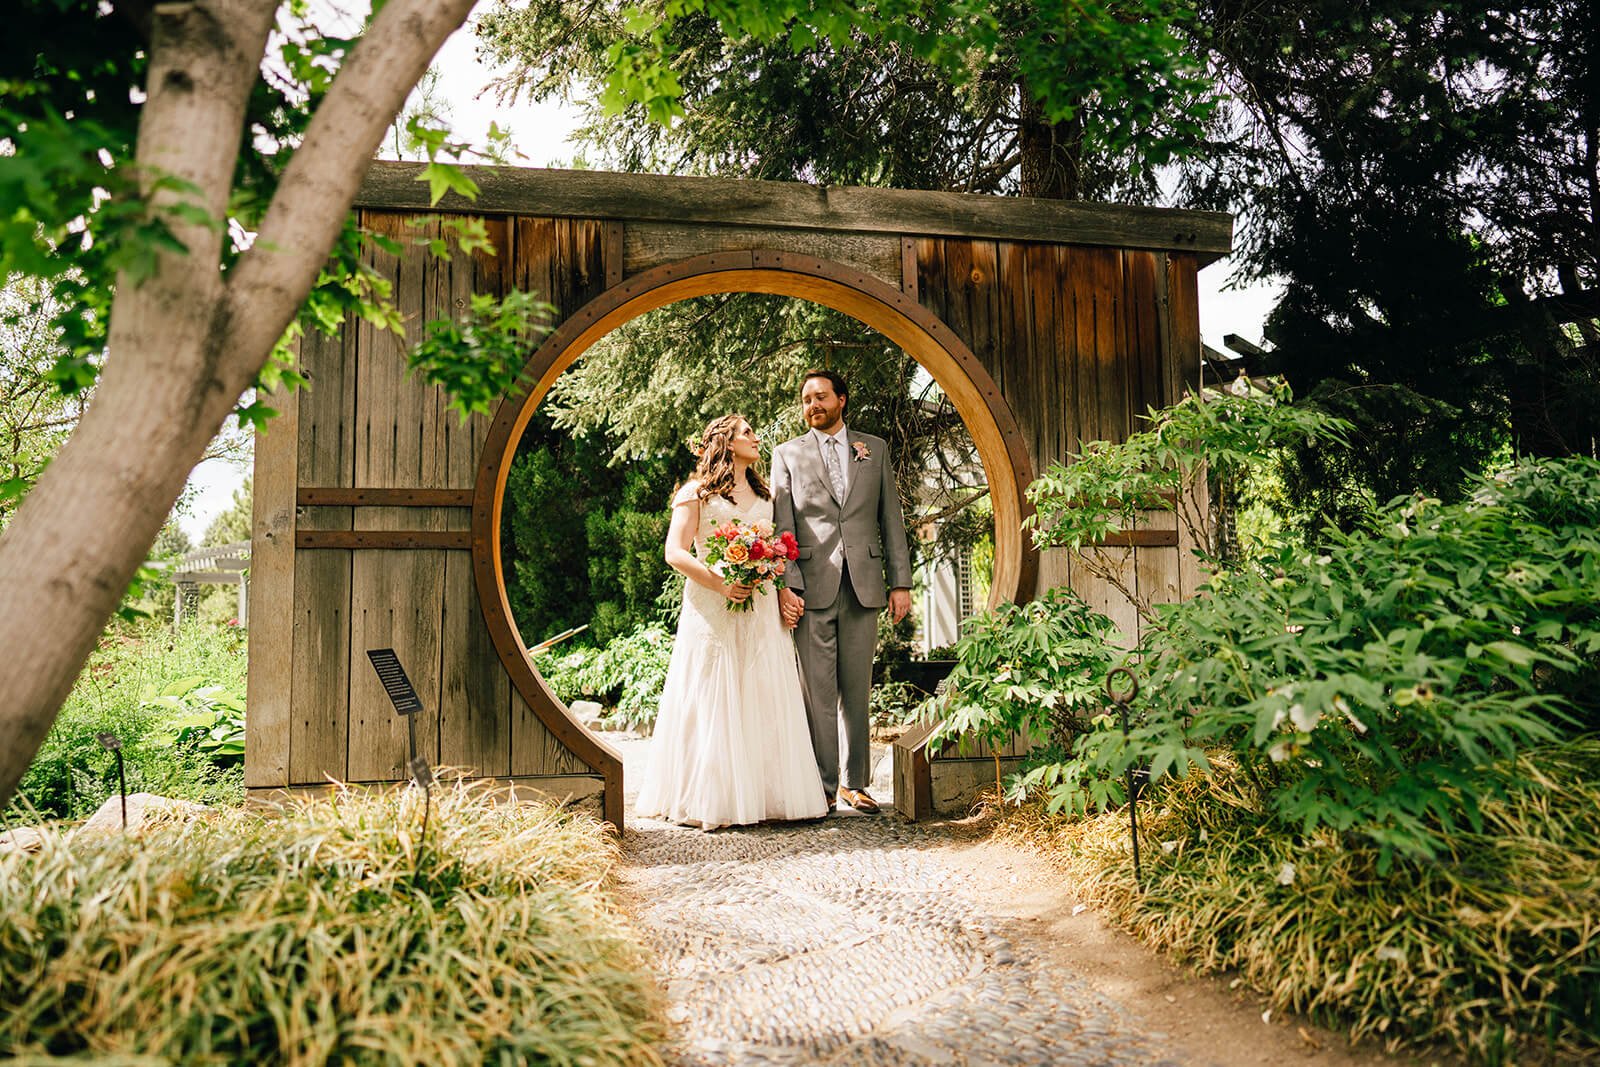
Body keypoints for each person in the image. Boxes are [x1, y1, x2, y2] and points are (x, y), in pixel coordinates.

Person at [636, 414, 828, 829]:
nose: (754, 437)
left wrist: (784, 591)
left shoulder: (767, 494)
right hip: (712, 605)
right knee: (713, 692)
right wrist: (719, 582)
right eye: (746, 432)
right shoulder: (696, 493)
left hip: (759, 607)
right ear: (726, 442)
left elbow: (776, 553)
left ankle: (765, 796)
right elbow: (675, 552)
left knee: (762, 690)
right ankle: (713, 797)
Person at [772, 370, 913, 814]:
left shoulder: (874, 450)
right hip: (811, 587)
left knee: (858, 688)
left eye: (821, 397)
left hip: (864, 584)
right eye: (806, 399)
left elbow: (890, 516)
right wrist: (787, 585)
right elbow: (782, 527)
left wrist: (901, 582)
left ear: (842, 401)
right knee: (817, 691)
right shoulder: (786, 454)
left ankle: (857, 784)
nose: (813, 405)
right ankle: (824, 786)